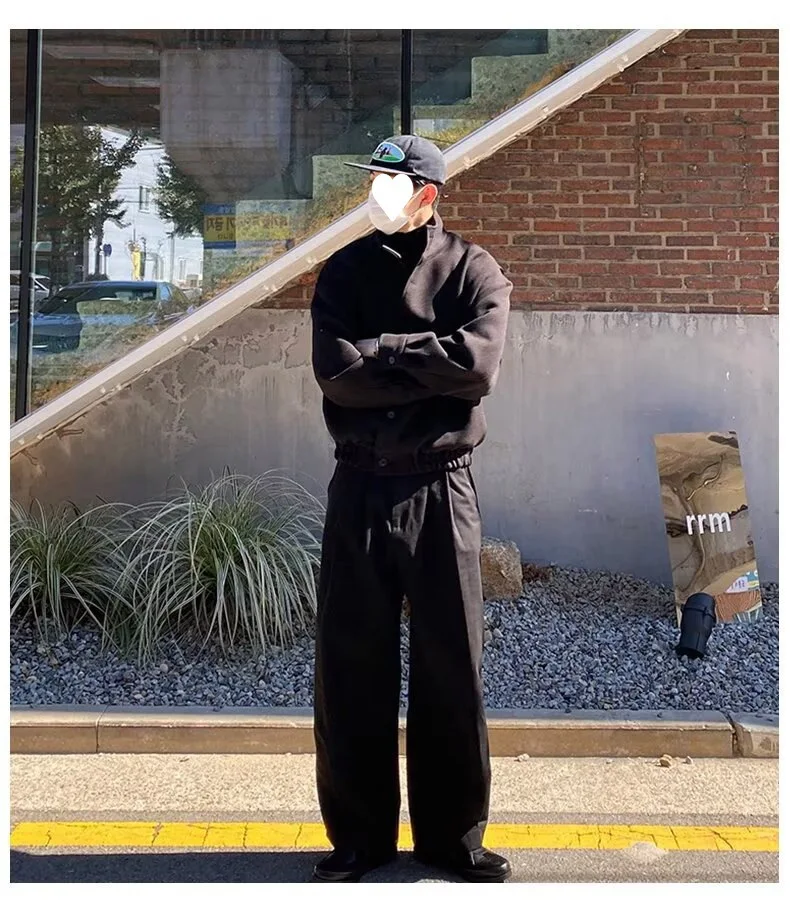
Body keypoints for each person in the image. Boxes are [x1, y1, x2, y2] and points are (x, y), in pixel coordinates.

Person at [309, 134, 513, 883]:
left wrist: (384, 350)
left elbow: (477, 367)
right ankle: (358, 839)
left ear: (427, 192)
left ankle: (453, 839)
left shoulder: (473, 269)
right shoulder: (343, 271)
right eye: (373, 177)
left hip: (441, 486)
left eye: (390, 181)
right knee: (349, 664)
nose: (377, 191)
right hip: (359, 485)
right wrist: (427, 356)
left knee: (451, 663)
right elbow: (338, 374)